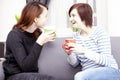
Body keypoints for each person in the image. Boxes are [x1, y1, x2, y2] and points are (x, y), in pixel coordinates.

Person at [62, 3, 120, 80]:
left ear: (84, 15)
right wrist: (69, 53)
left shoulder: (99, 32)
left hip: (109, 71)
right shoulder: (75, 36)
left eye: (73, 15)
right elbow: (74, 64)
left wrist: (83, 51)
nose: (70, 19)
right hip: (89, 75)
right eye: (70, 16)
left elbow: (107, 60)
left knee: (79, 76)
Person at [3, 1, 56, 80]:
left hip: (32, 75)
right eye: (45, 16)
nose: (47, 19)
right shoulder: (14, 35)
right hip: (15, 76)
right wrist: (39, 42)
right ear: (35, 19)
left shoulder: (37, 33)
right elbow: (25, 67)